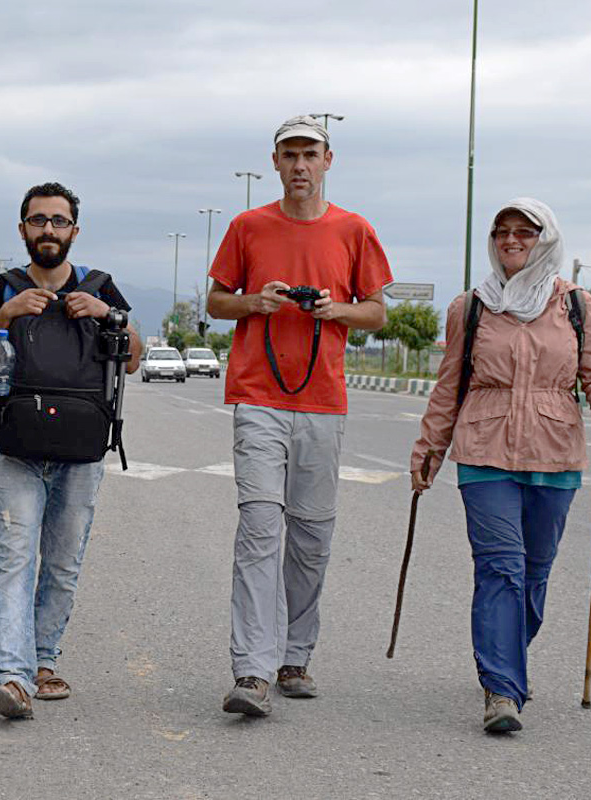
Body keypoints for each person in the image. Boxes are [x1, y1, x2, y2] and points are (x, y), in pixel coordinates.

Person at [410, 198, 591, 733]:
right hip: (484, 451)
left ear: (544, 238)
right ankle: (503, 689)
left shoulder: (576, 305)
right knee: (500, 567)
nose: (511, 240)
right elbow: (449, 386)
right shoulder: (473, 306)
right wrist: (428, 451)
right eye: (502, 232)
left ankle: (505, 652)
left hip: (555, 453)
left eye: (524, 232)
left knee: (535, 571)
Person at [207, 116, 392, 717]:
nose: (300, 166)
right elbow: (214, 302)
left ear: (328, 160)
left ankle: (295, 656)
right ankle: (252, 671)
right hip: (258, 398)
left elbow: (378, 314)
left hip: (322, 403)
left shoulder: (354, 230)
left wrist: (335, 311)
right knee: (260, 528)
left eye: (310, 154)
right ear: (276, 162)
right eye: (289, 155)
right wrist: (255, 302)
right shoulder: (247, 226)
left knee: (310, 538)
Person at [0, 182, 142, 719]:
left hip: (83, 451)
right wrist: (4, 317)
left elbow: (133, 358)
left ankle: (43, 662)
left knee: (62, 566)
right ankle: (12, 678)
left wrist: (107, 316)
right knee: (15, 560)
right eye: (38, 220)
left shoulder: (102, 287)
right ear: (22, 230)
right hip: (16, 447)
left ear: (73, 231)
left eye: (58, 221)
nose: (48, 230)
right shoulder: (4, 287)